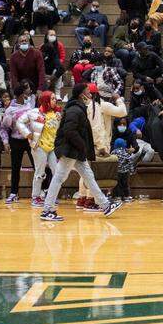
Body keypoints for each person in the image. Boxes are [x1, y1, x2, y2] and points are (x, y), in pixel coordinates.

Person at [39, 84, 122, 222]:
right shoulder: (74, 110)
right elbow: (69, 131)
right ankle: (47, 210)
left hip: (76, 151)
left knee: (89, 176)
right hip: (70, 150)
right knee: (59, 178)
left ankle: (105, 205)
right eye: (88, 92)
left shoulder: (78, 108)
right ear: (81, 95)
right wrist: (82, 145)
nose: (90, 94)